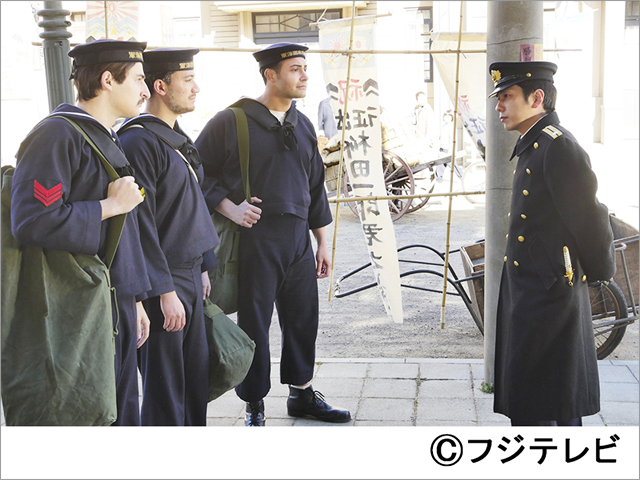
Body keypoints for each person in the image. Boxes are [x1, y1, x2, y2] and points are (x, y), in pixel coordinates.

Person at [196, 42, 351, 426]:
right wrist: (230, 207)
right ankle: (254, 404)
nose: (304, 76)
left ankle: (302, 394)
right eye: (295, 69)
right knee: (255, 324)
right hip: (254, 241)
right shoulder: (231, 121)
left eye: (304, 68)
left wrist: (322, 242)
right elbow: (196, 173)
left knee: (303, 319)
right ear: (270, 75)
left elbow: (315, 187)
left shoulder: (303, 124)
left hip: (298, 241)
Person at [10, 39, 152, 426]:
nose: (145, 90)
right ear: (108, 80)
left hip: (114, 303)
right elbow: (33, 220)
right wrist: (109, 206)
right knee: (89, 417)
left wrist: (135, 298)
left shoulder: (104, 135)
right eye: (139, 79)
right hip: (80, 310)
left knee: (122, 413)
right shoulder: (56, 136)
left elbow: (123, 233)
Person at [488, 61, 616, 426]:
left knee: (553, 399)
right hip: (531, 287)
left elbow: (589, 219)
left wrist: (599, 273)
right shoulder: (535, 143)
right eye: (499, 98)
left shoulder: (558, 147)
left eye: (507, 97)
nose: (499, 107)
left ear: (536, 98)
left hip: (549, 293)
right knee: (535, 394)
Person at [118, 48, 218, 426]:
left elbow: (189, 206)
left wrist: (203, 266)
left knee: (194, 381)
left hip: (189, 274)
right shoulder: (139, 141)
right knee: (165, 389)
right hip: (163, 281)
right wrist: (164, 291)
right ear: (160, 87)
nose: (196, 87)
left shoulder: (173, 136)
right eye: (187, 80)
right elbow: (140, 224)